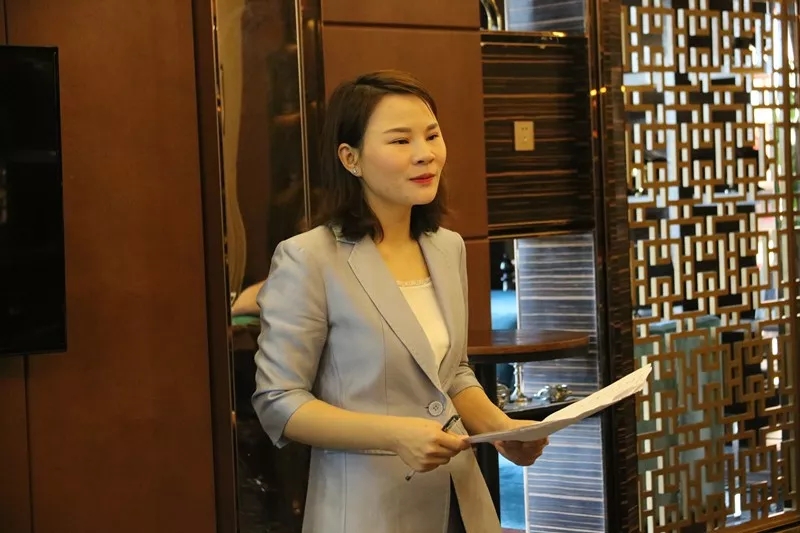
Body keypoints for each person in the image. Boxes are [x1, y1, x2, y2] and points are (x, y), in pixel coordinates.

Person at [251, 70, 547, 533]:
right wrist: (394, 434)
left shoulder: (446, 246)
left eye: (432, 135)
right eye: (400, 140)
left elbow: (451, 373)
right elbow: (280, 401)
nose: (424, 153)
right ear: (350, 158)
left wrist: (502, 429)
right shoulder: (309, 258)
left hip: (462, 502)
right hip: (368, 511)